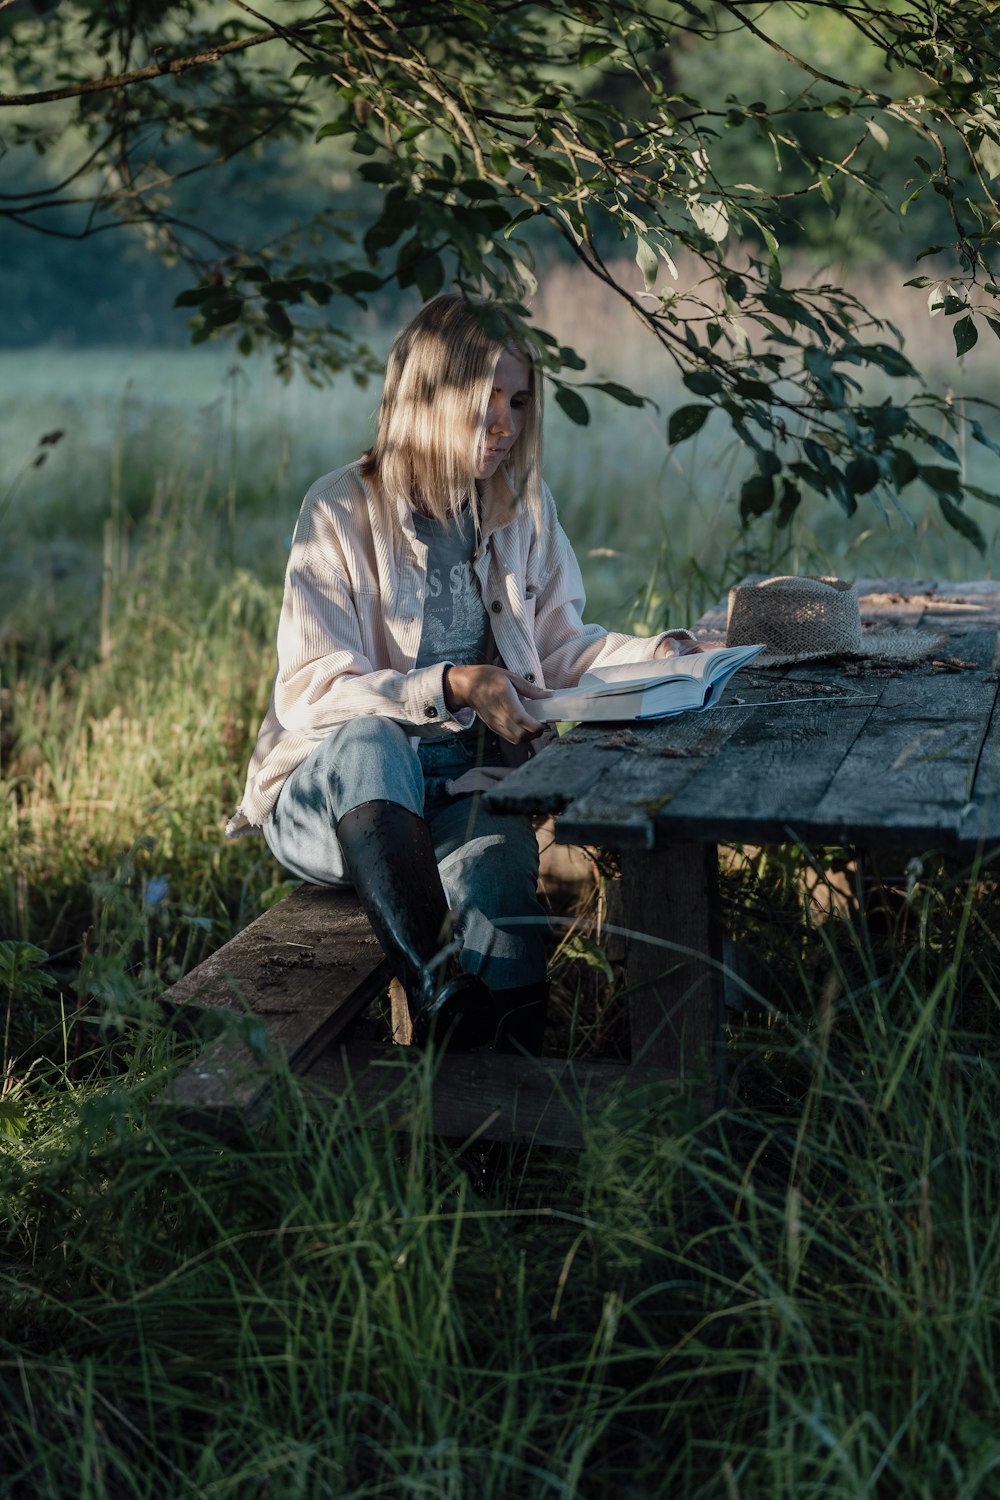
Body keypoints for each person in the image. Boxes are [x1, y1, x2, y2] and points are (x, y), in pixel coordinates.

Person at [226, 292, 701, 1054]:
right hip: (337, 804)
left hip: (460, 788)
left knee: (499, 877)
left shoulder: (520, 509)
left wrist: (663, 656)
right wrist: (449, 684)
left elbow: (561, 650)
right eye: (485, 404)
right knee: (370, 738)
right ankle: (433, 979)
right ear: (426, 399)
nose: (506, 426)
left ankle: (491, 1143)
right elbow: (311, 696)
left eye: (518, 402)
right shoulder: (339, 513)